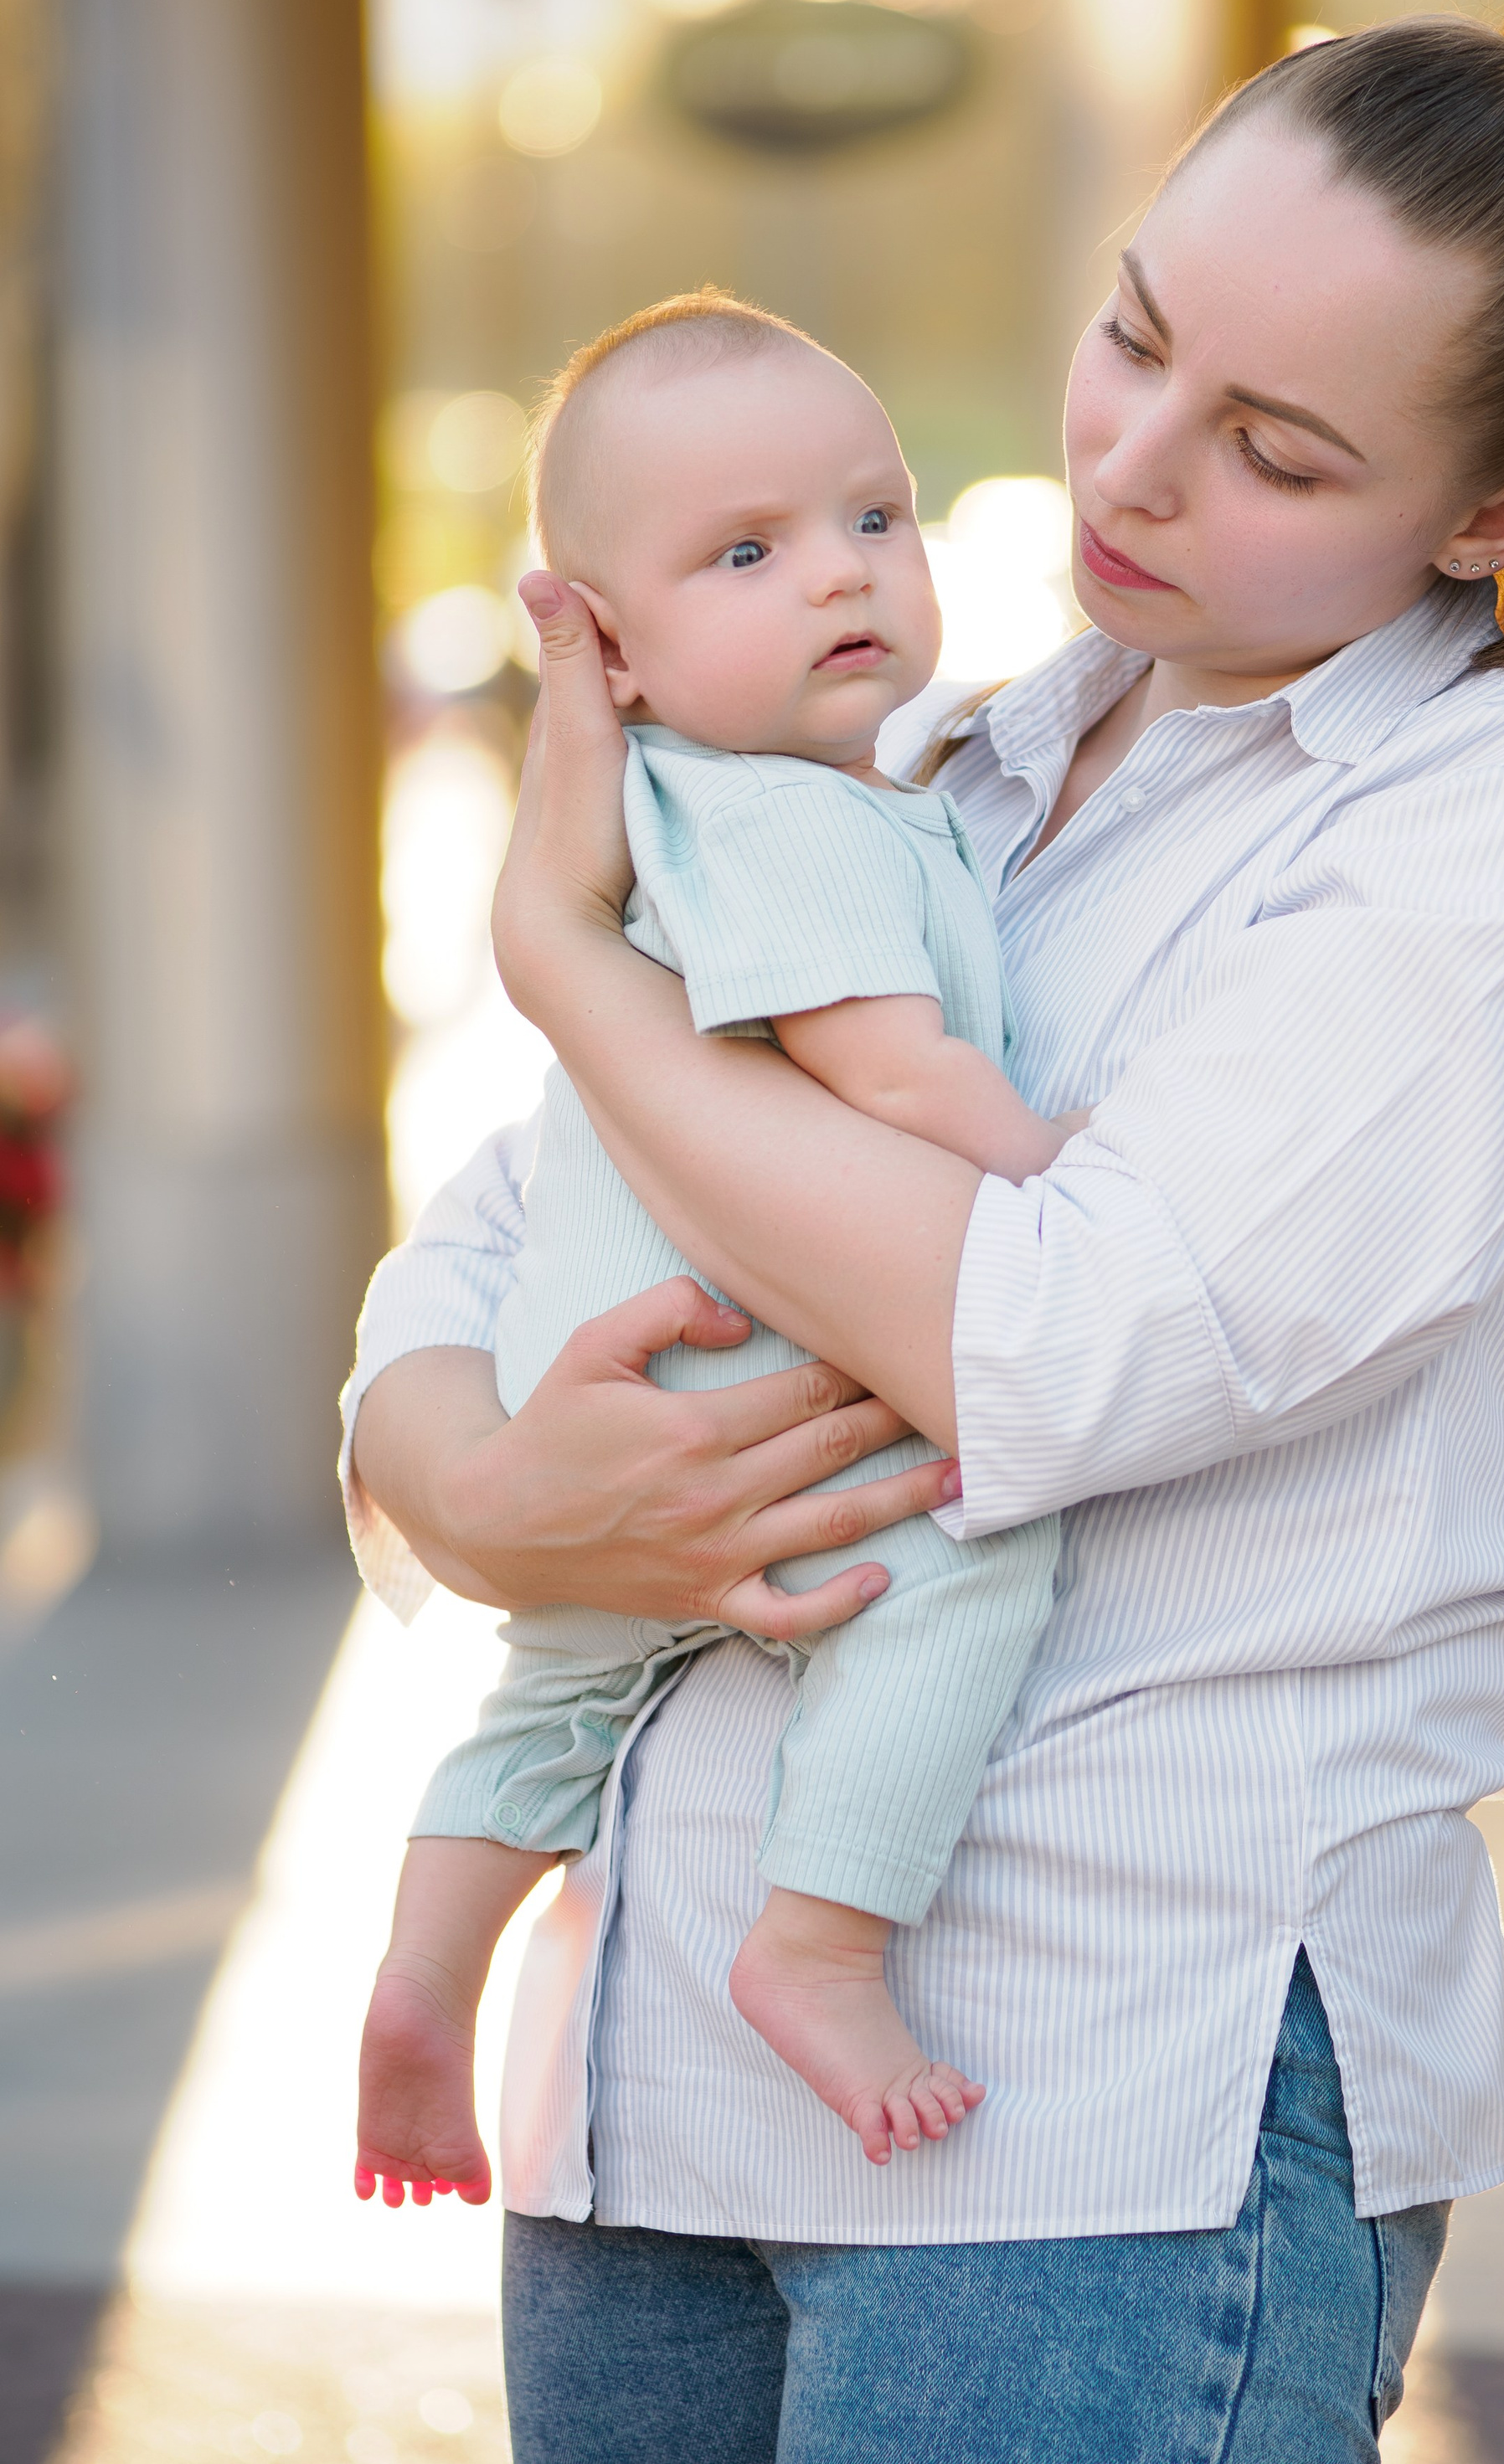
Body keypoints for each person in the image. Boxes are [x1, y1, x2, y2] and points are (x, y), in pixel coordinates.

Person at [343, 0, 1504, 2463]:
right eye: (1135, 336)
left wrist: (566, 961)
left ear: (1491, 514)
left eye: (1275, 448)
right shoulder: (958, 756)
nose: (1136, 468)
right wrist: (466, 1477)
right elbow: (518, 1215)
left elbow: (1058, 1336)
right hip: (642, 2088)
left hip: (1099, 2110)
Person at [356, 291, 1080, 2210]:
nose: (841, 578)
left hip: (595, 1386)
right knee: (966, 1579)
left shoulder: (727, 809)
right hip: (732, 1374)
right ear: (612, 658)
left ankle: (425, 1977)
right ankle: (821, 1946)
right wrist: (1053, 1159)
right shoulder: (777, 820)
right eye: (745, 554)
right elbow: (889, 1065)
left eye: (875, 516)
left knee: (554, 1692)